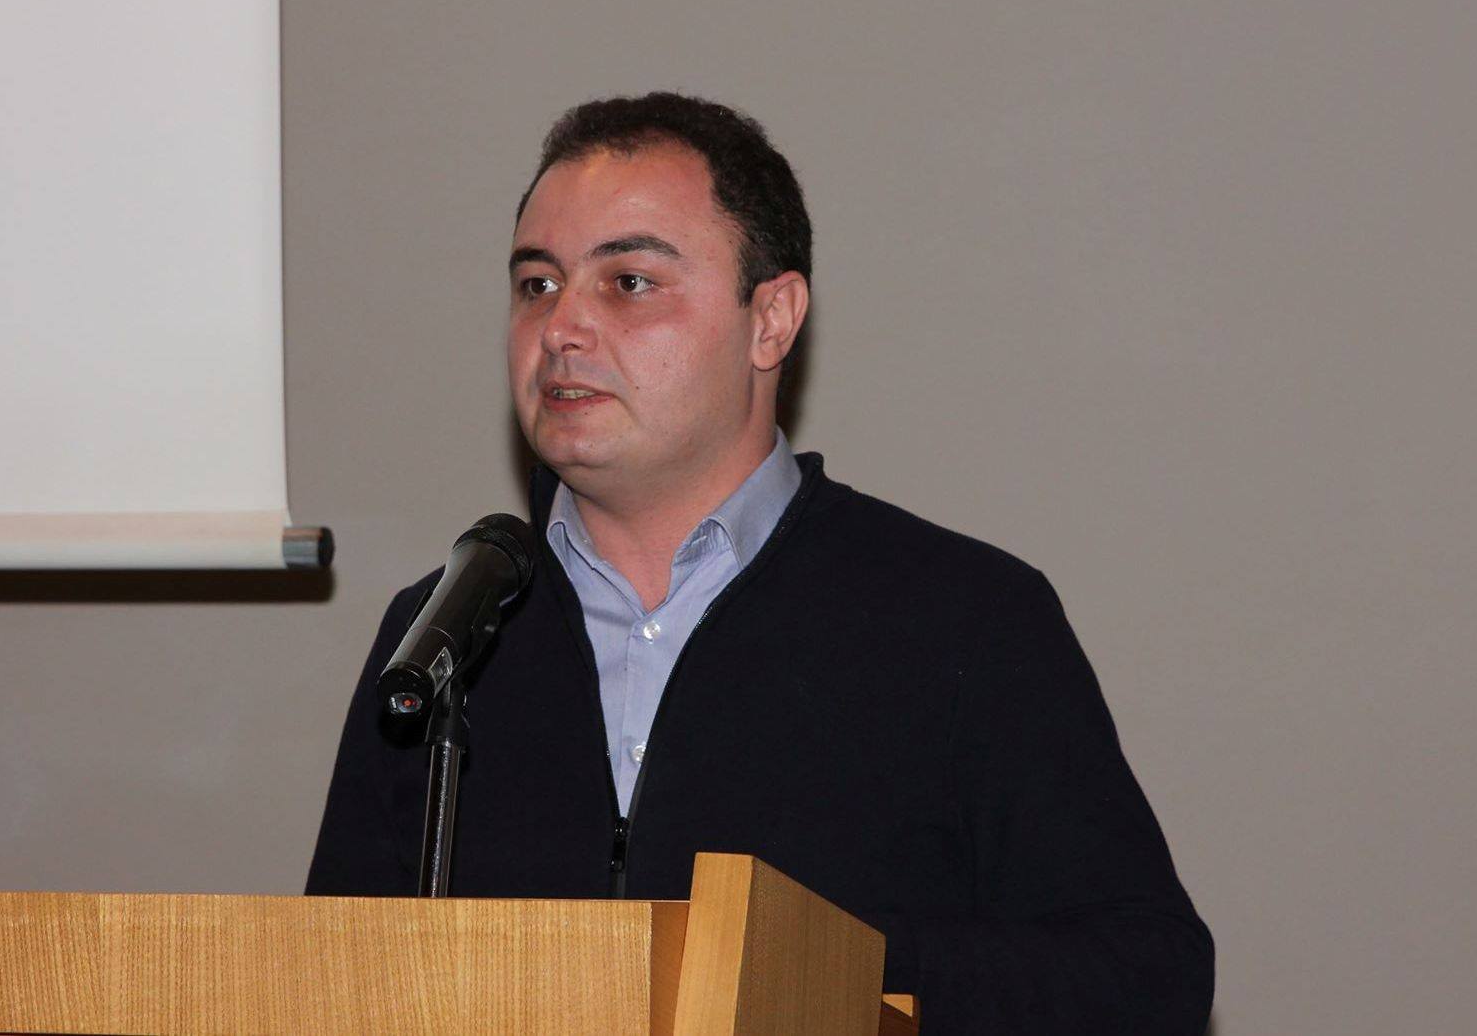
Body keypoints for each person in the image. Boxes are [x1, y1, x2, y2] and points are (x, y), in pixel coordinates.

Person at [307, 93, 1213, 1033]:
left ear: (771, 319)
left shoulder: (967, 618)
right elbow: (318, 985)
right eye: (537, 284)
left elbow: (1147, 976)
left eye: (628, 282)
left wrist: (822, 967)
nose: (562, 327)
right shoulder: (447, 633)